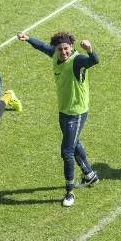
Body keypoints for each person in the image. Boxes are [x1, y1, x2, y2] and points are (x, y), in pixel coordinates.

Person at [17, 31, 100, 207]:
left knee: (66, 151)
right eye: (60, 49)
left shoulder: (77, 61)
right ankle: (90, 175)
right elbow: (43, 47)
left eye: (66, 48)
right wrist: (28, 39)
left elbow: (93, 61)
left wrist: (90, 50)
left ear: (71, 47)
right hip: (64, 110)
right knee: (74, 143)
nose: (63, 52)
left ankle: (69, 192)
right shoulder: (55, 55)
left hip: (76, 112)